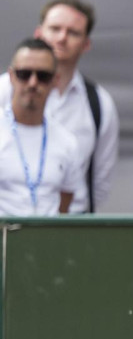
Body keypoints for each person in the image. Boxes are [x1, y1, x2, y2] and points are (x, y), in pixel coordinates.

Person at [0, 0, 120, 214]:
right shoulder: (3, 90)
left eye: (73, 32)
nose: (62, 38)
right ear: (39, 33)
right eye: (55, 28)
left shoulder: (99, 104)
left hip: (69, 229)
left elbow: (99, 184)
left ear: (86, 44)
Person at [0, 38, 84, 216]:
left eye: (43, 76)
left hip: (45, 241)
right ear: (11, 76)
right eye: (24, 74)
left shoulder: (67, 142)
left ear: (55, 80)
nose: (33, 83)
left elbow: (64, 206)